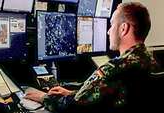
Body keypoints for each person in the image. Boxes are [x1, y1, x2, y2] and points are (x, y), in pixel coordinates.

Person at [25, 2, 160, 113]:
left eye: (112, 25)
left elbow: (74, 107)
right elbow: (100, 95)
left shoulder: (116, 68)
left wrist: (44, 97)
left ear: (123, 28)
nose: (108, 31)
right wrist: (71, 93)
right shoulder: (150, 61)